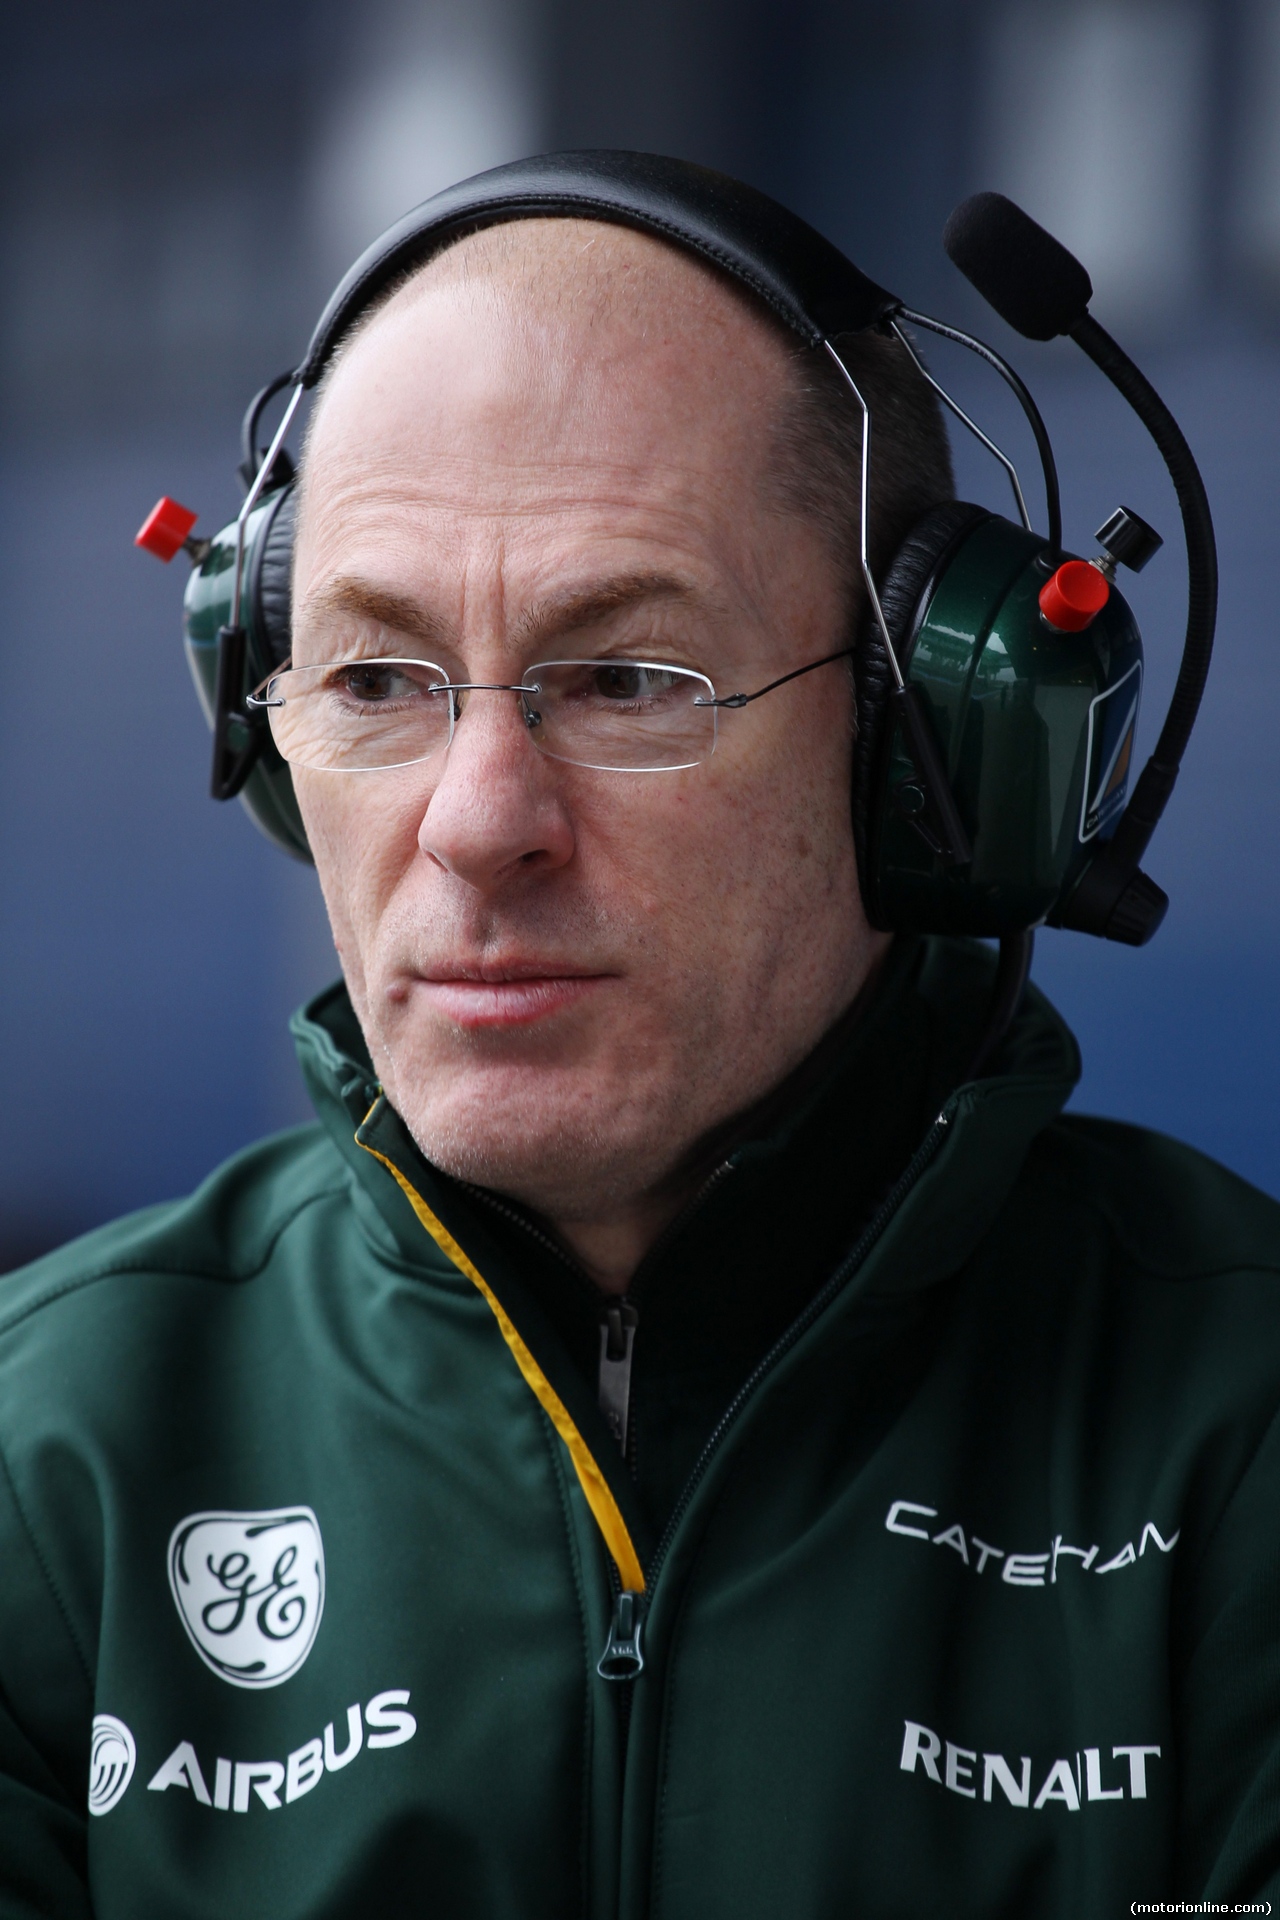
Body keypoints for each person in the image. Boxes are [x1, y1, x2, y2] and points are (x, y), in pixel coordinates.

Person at [3, 160, 1280, 1920]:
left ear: (933, 753)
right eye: (376, 680)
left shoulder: (1241, 1428)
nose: (474, 824)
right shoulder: (41, 1451)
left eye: (631, 681)